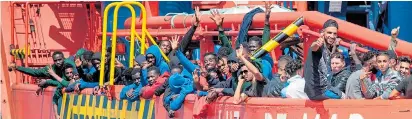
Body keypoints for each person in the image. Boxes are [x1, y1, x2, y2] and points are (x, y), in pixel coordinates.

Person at [304, 19, 345, 100]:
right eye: (329, 33)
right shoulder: (319, 45)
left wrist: (335, 46)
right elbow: (314, 47)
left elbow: (329, 57)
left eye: (335, 34)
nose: (332, 36)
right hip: (319, 90)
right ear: (323, 32)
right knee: (344, 96)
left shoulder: (327, 47)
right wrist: (317, 44)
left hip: (315, 89)